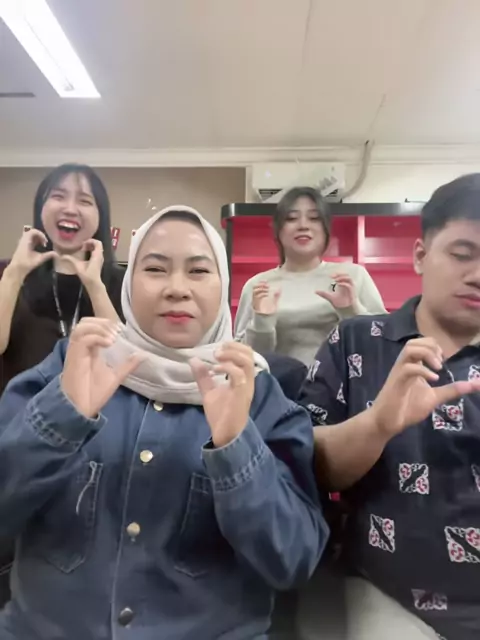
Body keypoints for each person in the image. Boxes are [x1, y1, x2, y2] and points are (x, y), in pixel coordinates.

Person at [0, 205, 327, 640]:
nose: (177, 289)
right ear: (128, 284)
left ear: (224, 285)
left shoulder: (257, 393)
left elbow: (293, 560)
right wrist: (61, 418)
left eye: (199, 271)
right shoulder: (73, 366)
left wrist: (236, 447)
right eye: (155, 269)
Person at [299, 173, 480, 640]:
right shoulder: (356, 341)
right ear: (420, 255)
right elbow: (311, 464)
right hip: (388, 593)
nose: (477, 275)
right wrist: (377, 424)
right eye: (463, 254)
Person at [0, 163, 124, 608]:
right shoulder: (9, 274)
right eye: (58, 195)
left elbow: (125, 360)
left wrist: (95, 283)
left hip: (96, 452)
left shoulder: (120, 281)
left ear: (100, 217)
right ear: (41, 208)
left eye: (85, 200)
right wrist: (14, 273)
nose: (70, 207)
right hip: (15, 445)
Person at [234, 186, 386, 367]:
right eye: (291, 218)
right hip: (278, 384)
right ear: (278, 230)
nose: (303, 225)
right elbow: (242, 360)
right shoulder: (258, 285)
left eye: (314, 218)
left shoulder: (351, 276)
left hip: (342, 384)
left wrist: (351, 311)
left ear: (326, 229)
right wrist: (262, 323)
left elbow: (384, 342)